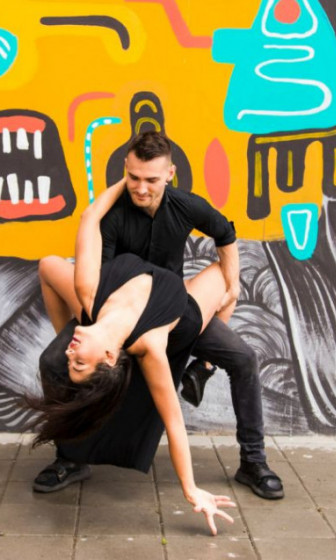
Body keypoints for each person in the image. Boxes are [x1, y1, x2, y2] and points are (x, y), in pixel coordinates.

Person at [35, 131, 283, 500]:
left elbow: (225, 233)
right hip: (112, 309)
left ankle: (253, 461)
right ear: (125, 171)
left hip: (175, 310)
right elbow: (94, 273)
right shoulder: (113, 219)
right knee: (53, 360)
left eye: (151, 179)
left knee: (244, 358)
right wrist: (77, 331)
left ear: (170, 174)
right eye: (133, 177)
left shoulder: (185, 206)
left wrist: (232, 286)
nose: (140, 188)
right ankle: (70, 457)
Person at [30, 178, 236, 535]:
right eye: (79, 362)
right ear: (111, 357)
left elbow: (90, 216)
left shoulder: (88, 292)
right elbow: (174, 422)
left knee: (48, 264)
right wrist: (191, 490)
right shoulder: (151, 346)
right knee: (228, 281)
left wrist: (128, 180)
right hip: (180, 312)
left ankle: (201, 367)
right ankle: (204, 365)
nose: (68, 351)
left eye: (71, 360)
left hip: (121, 300)